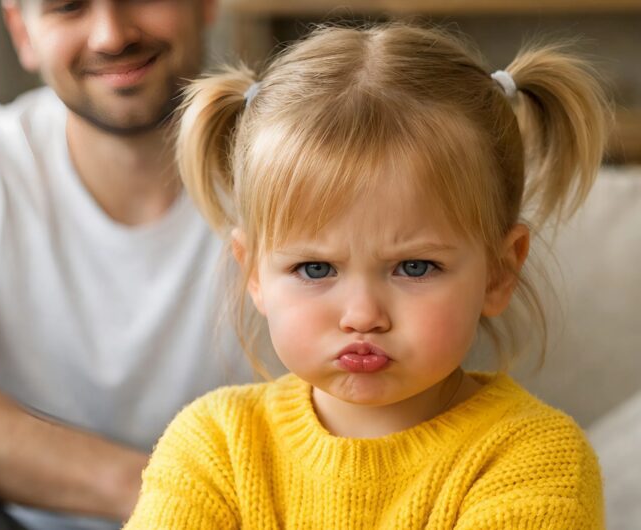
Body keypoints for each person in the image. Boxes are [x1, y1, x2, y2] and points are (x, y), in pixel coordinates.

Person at [124, 23, 610, 529]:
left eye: (415, 267)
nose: (362, 316)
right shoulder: (215, 444)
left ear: (499, 272)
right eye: (315, 268)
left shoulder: (536, 459)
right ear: (254, 272)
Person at [0, 1, 251, 529]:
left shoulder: (300, 161)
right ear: (22, 31)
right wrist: (158, 489)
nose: (110, 36)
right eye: (67, 6)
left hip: (251, 516)